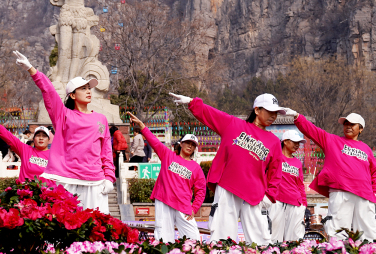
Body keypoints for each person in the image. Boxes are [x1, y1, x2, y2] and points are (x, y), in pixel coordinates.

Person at [171, 92, 284, 245]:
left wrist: (269, 196)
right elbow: (210, 114)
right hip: (228, 187)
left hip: (254, 195)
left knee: (261, 241)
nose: (273, 116)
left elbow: (276, 173)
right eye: (270, 111)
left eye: (276, 113)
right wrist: (192, 102)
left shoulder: (274, 141)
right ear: (257, 110)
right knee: (222, 238)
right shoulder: (234, 125)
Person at [13, 50, 115, 213]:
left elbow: (106, 152)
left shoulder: (101, 119)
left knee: (96, 228)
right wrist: (32, 69)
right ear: (73, 95)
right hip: (67, 179)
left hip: (95, 181)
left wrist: (109, 177)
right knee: (65, 228)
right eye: (83, 88)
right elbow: (49, 91)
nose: (89, 91)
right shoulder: (64, 116)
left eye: (89, 87)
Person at [285, 108, 376, 241]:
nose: (348, 126)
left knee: (367, 231)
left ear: (361, 129)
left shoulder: (366, 149)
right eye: (345, 123)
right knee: (337, 230)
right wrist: (297, 117)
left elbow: (375, 171)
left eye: (352, 124)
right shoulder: (332, 140)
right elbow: (312, 130)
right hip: (340, 191)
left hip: (364, 194)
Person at [128, 112, 206, 242]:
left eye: (193, 144)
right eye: (187, 142)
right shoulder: (168, 156)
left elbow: (201, 190)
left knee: (194, 240)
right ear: (181, 143)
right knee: (164, 238)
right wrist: (142, 126)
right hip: (164, 200)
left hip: (184, 206)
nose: (190, 146)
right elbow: (155, 142)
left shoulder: (196, 168)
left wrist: (194, 208)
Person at [0, 112, 52, 184]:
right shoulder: (25, 150)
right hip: (26, 192)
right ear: (33, 138)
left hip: (46, 193)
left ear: (49, 140)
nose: (41, 138)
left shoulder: (54, 156)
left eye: (44, 136)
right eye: (38, 135)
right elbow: (10, 138)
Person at [270, 130, 307, 242]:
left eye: (299, 143)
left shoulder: (297, 162)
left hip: (295, 202)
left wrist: (304, 203)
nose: (297, 145)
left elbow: (300, 184)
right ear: (285, 141)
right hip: (277, 201)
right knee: (274, 237)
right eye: (294, 142)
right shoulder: (275, 157)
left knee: (295, 238)